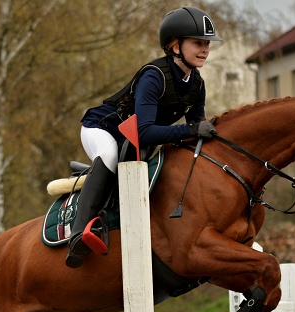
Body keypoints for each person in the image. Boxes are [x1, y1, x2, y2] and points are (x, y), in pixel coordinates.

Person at [65, 6, 222, 268]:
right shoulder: (155, 75)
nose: (205, 49)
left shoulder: (197, 84)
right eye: (198, 43)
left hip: (135, 141)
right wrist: (193, 130)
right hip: (102, 129)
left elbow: (196, 129)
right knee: (110, 155)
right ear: (174, 46)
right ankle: (79, 235)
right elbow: (144, 132)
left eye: (207, 43)